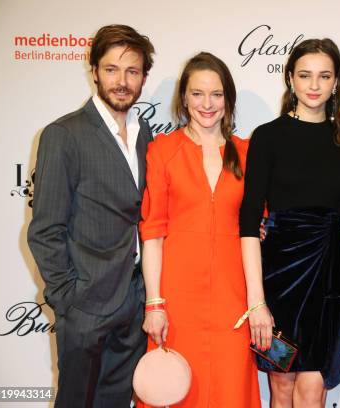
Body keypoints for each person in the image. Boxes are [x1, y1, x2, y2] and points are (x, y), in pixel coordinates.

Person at [27, 24, 155, 407]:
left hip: (134, 301)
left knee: (117, 401)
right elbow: (45, 229)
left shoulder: (145, 132)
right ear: (94, 70)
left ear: (143, 77)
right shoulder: (64, 134)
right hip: (85, 304)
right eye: (112, 69)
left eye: (132, 71)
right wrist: (69, 299)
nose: (122, 81)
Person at [138, 52, 261, 407]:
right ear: (183, 97)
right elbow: (153, 234)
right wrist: (154, 304)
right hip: (177, 298)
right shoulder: (163, 150)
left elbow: (257, 225)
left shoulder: (247, 152)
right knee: (176, 391)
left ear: (228, 99)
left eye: (217, 94)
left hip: (234, 300)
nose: (207, 104)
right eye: (197, 94)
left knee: (230, 389)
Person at [239, 38, 340, 407]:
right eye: (305, 75)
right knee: (282, 386)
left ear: (336, 82)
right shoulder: (268, 137)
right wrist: (257, 301)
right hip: (279, 282)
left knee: (312, 388)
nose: (314, 85)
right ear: (290, 78)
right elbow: (248, 218)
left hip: (327, 282)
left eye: (324, 76)